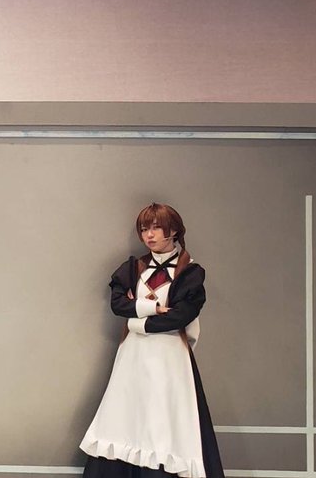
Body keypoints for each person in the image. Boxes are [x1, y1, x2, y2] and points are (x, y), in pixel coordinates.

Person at [80, 203, 225, 478]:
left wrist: (136, 321)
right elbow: (118, 304)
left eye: (156, 228)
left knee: (165, 422)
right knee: (125, 417)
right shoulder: (133, 268)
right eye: (145, 228)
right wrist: (153, 309)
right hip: (134, 356)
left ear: (174, 231)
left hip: (170, 358)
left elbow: (181, 316)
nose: (149, 235)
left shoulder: (190, 272)